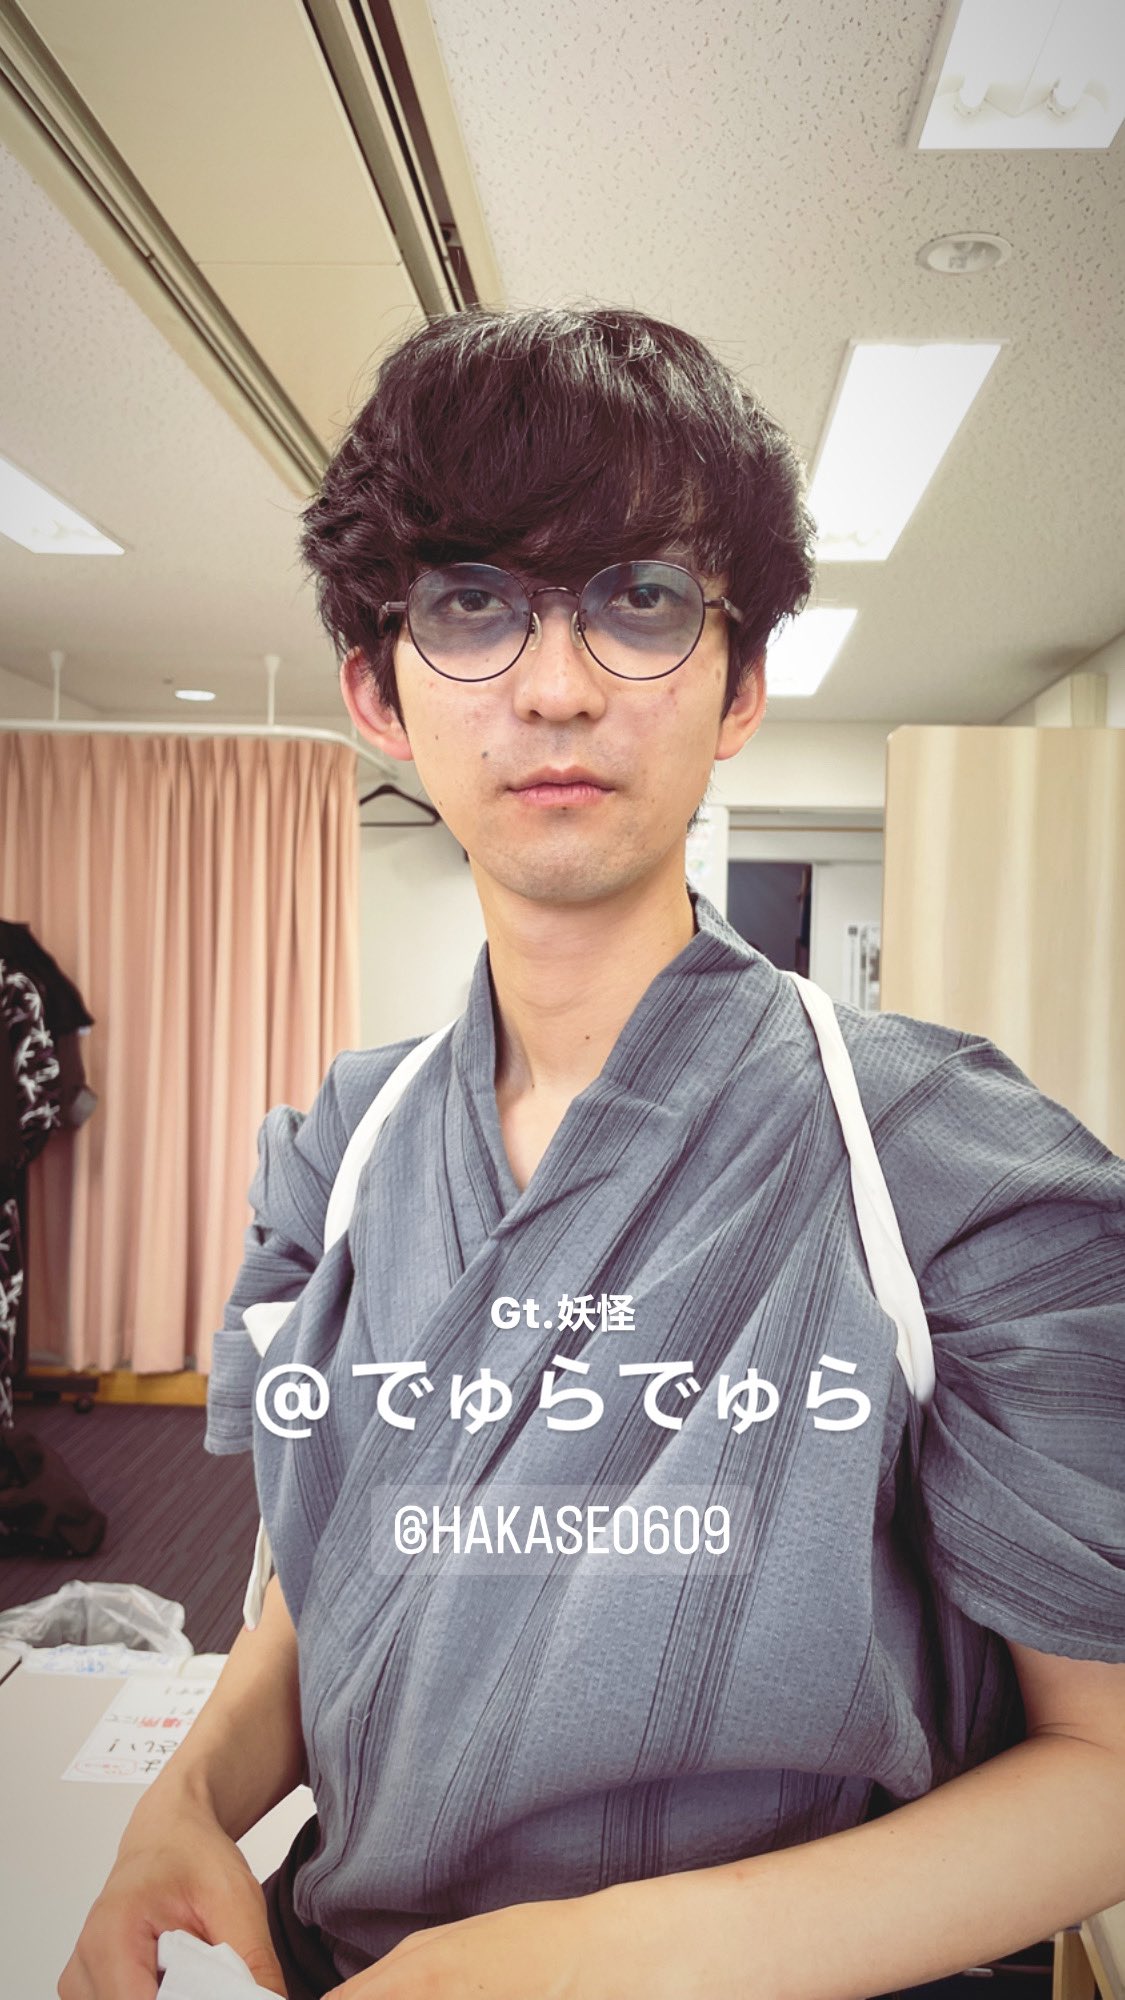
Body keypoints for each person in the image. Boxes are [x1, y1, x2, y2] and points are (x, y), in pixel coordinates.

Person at [59, 305, 1125, 2000]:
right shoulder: (337, 1155)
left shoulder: (953, 1166)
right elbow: (333, 1585)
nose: (554, 688)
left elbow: (1105, 1765)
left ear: (739, 683)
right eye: (470, 606)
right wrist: (184, 1804)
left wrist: (589, 1962)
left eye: (637, 601)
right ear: (377, 691)